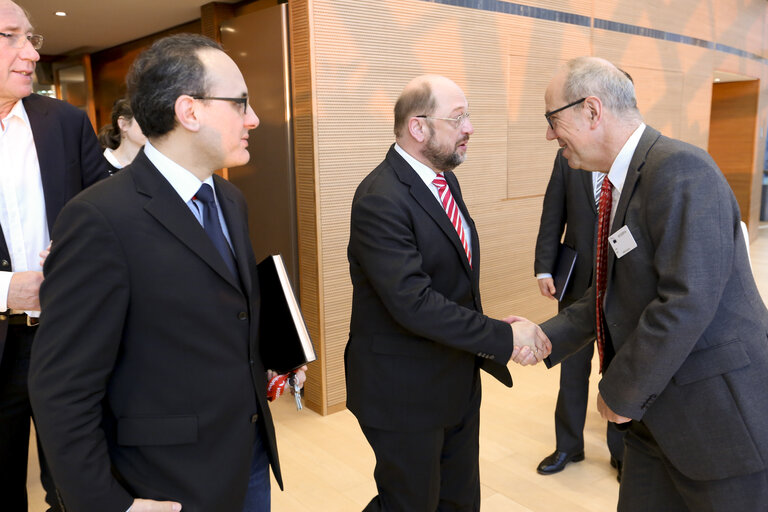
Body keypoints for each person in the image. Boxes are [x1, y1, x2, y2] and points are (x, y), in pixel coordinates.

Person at [29, 34, 304, 512]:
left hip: (248, 454)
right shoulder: (100, 218)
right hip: (164, 480)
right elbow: (62, 391)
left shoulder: (229, 199)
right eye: (240, 103)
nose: (253, 118)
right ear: (189, 111)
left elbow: (220, 308)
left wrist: (276, 350)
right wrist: (110, 506)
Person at [540, 56, 768, 511]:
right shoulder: (627, 180)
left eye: (552, 119)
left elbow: (686, 301)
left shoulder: (682, 170)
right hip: (655, 419)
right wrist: (543, 337)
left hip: (715, 418)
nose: (549, 134)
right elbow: (613, 290)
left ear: (591, 110)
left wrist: (619, 391)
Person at [346, 74, 551, 511]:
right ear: (418, 128)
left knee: (458, 500)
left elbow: (452, 283)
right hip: (403, 392)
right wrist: (501, 336)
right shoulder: (380, 198)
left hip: (452, 378)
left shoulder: (441, 181)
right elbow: (413, 303)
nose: (470, 128)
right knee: (410, 503)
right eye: (458, 118)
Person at [0, 1, 107, 509]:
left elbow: (108, 216)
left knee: (74, 484)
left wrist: (79, 251)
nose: (29, 53)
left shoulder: (64, 121)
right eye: (10, 36)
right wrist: (4, 290)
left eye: (32, 38)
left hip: (69, 334)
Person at [534, 150, 624, 479]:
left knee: (617, 369)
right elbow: (552, 213)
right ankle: (568, 445)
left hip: (621, 283)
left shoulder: (631, 156)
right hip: (575, 282)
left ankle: (622, 451)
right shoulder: (566, 158)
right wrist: (544, 267)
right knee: (571, 370)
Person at [97, 97, 146, 173]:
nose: (152, 126)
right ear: (123, 124)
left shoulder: (155, 165)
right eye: (144, 120)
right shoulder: (99, 168)